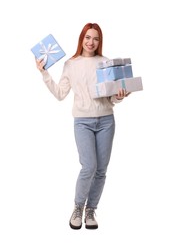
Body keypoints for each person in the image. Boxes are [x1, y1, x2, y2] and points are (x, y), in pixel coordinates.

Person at [35, 22, 130, 230]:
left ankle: (90, 210)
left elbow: (111, 98)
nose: (91, 42)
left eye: (95, 38)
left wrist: (120, 95)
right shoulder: (71, 64)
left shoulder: (106, 62)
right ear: (81, 39)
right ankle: (78, 207)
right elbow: (61, 94)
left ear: (100, 41)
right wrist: (44, 73)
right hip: (83, 122)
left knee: (101, 170)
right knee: (89, 166)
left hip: (106, 120)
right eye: (88, 37)